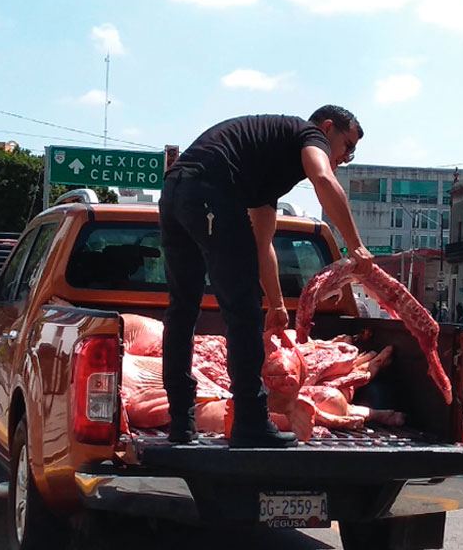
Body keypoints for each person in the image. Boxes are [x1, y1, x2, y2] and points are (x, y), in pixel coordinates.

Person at [159, 106, 373, 449]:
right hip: (209, 189)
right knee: (242, 312)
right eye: (347, 146)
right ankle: (250, 422)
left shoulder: (264, 166)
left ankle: (181, 423)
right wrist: (356, 246)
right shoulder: (308, 135)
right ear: (328, 128)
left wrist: (276, 305)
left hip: (175, 192)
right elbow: (323, 178)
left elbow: (262, 245)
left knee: (182, 311)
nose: (346, 158)